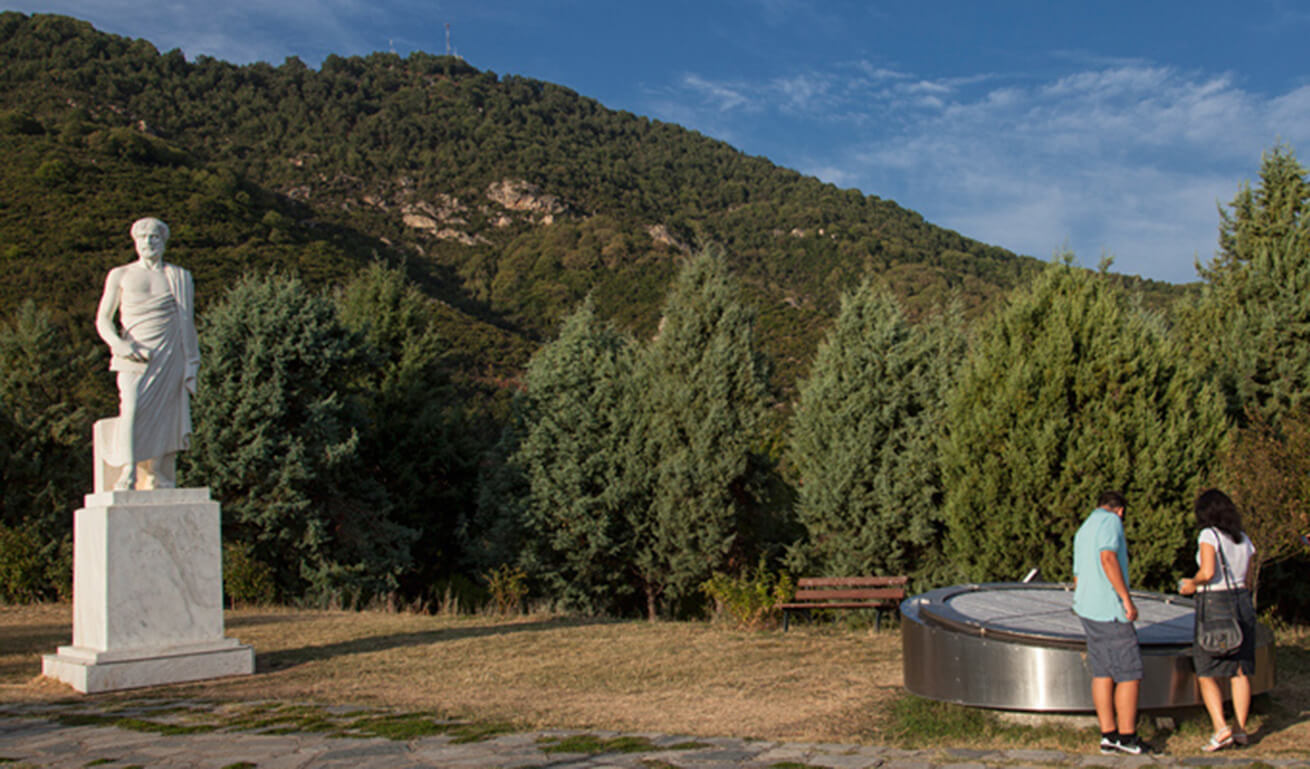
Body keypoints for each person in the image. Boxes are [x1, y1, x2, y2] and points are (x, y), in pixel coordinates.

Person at [94, 217, 199, 491]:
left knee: (165, 414)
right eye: (143, 238)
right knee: (131, 408)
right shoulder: (121, 274)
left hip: (169, 354)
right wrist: (117, 344)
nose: (148, 242)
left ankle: (153, 473)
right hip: (133, 354)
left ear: (163, 241)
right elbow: (103, 319)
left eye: (154, 237)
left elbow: (186, 321)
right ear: (135, 242)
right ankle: (128, 471)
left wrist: (190, 362)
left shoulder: (178, 276)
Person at [1179, 489, 1257, 751]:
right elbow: (1247, 579)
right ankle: (1241, 730)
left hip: (1214, 603)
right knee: (1239, 669)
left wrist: (1191, 583)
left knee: (1206, 668)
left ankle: (1220, 727)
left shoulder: (1208, 535)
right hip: (1242, 601)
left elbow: (1208, 571)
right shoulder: (1244, 539)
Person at [1072, 490, 1145, 755]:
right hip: (1109, 609)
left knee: (1102, 672)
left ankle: (1108, 735)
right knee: (1129, 673)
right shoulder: (1111, 522)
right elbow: (1108, 558)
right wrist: (1126, 599)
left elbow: (1078, 574)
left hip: (1088, 609)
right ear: (1120, 510)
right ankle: (1127, 737)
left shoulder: (1084, 528)